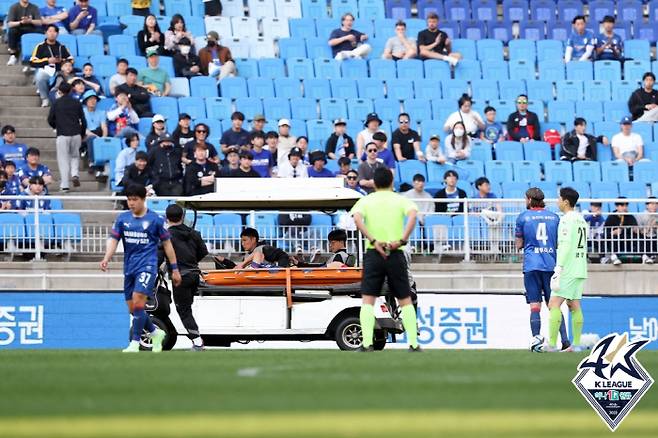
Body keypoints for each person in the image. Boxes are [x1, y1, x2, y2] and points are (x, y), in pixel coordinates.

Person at [100, 184, 182, 353]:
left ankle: (135, 343)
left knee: (139, 300)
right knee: (133, 309)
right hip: (129, 267)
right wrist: (107, 257)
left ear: (143, 199)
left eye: (134, 199)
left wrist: (174, 269)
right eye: (129, 199)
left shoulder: (155, 220)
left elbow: (167, 245)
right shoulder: (122, 219)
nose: (131, 203)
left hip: (147, 266)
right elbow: (114, 239)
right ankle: (154, 332)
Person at [350, 167, 419, 352]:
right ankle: (413, 343)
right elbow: (413, 215)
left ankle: (366, 344)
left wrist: (372, 239)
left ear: (374, 183)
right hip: (395, 252)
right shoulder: (400, 200)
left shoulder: (366, 200)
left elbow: (357, 219)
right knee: (404, 299)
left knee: (368, 300)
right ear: (391, 182)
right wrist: (402, 240)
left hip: (374, 252)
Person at [515, 187, 570, 351]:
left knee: (534, 306)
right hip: (550, 265)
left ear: (530, 200)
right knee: (554, 306)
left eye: (526, 199)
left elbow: (518, 244)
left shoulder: (523, 217)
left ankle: (536, 341)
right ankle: (565, 341)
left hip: (532, 266)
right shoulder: (554, 218)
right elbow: (559, 242)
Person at [546, 187, 588, 352]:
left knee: (553, 304)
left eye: (558, 198)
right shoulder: (581, 219)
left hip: (569, 267)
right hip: (581, 266)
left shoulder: (566, 219)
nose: (557, 201)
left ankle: (551, 344)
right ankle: (576, 345)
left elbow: (565, 245)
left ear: (565, 201)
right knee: (574, 304)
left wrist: (558, 267)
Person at [164, 204, 208, 351]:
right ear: (182, 217)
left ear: (166, 217)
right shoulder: (194, 233)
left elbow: (159, 255)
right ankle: (197, 339)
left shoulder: (166, 236)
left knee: (183, 310)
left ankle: (197, 342)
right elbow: (203, 251)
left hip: (180, 277)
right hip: (194, 274)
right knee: (187, 308)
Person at [48, 82, 86, 192]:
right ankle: (75, 173)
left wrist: (56, 126)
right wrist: (82, 133)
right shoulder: (76, 103)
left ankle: (65, 185)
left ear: (59, 91)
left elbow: (50, 119)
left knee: (63, 160)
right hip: (76, 133)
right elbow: (83, 121)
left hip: (62, 134)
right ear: (71, 91)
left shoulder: (56, 103)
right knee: (75, 155)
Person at [30, 24, 74, 108]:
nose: (52, 33)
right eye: (49, 31)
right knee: (39, 76)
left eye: (54, 31)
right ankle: (45, 98)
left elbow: (71, 59)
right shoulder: (40, 46)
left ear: (57, 34)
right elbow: (32, 61)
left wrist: (62, 61)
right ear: (46, 33)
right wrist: (47, 61)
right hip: (46, 71)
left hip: (60, 71)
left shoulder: (62, 47)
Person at [603, 198, 650, 265]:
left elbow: (635, 227)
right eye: (622, 206)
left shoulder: (630, 216)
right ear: (617, 207)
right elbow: (605, 232)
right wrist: (613, 232)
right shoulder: (611, 217)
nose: (624, 208)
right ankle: (614, 257)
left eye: (626, 206)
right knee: (612, 239)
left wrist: (637, 230)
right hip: (618, 242)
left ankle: (644, 256)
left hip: (629, 241)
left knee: (640, 237)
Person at [215, 227, 290, 269]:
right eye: (241, 241)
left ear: (253, 239)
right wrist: (224, 260)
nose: (242, 243)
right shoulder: (247, 255)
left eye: (245, 240)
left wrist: (281, 270)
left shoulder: (264, 249)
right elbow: (239, 267)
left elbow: (283, 255)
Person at [5, 0, 42, 66]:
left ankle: (37, 55)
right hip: (18, 28)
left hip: (31, 28)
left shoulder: (34, 7)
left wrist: (30, 21)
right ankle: (13, 55)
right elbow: (10, 24)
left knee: (40, 31)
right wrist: (21, 22)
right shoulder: (14, 7)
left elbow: (39, 22)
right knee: (12, 31)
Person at [637, 197, 657, 265]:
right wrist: (650, 226)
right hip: (645, 237)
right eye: (652, 204)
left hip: (654, 237)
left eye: (656, 204)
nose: (655, 206)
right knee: (645, 240)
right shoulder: (640, 216)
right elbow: (639, 231)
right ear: (647, 205)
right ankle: (647, 257)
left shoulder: (657, 215)